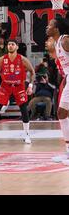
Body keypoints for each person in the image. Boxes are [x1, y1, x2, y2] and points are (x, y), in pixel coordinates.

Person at [0, 40, 36, 144]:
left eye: (13, 44)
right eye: (9, 44)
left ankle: (27, 134)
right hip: (6, 86)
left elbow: (32, 72)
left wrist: (30, 86)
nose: (10, 46)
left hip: (19, 86)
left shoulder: (22, 59)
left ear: (17, 47)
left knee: (24, 110)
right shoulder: (1, 59)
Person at [45, 19, 69, 164]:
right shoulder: (58, 43)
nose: (47, 27)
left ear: (57, 28)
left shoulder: (65, 40)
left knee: (62, 113)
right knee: (62, 113)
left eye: (50, 25)